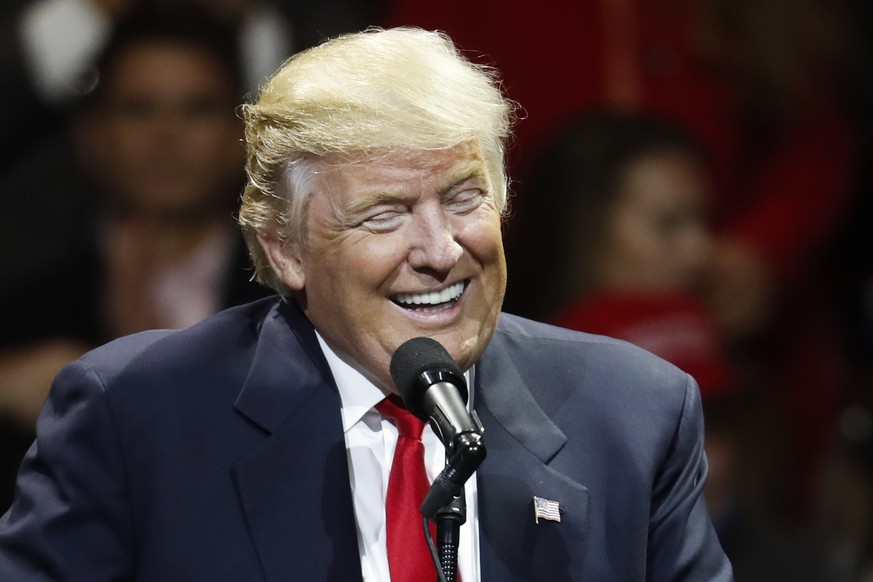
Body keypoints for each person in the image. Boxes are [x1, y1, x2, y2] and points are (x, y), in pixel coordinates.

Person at [0, 27, 732, 580]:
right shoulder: (136, 416)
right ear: (286, 248)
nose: (440, 249)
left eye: (463, 198)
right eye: (385, 215)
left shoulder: (634, 414)